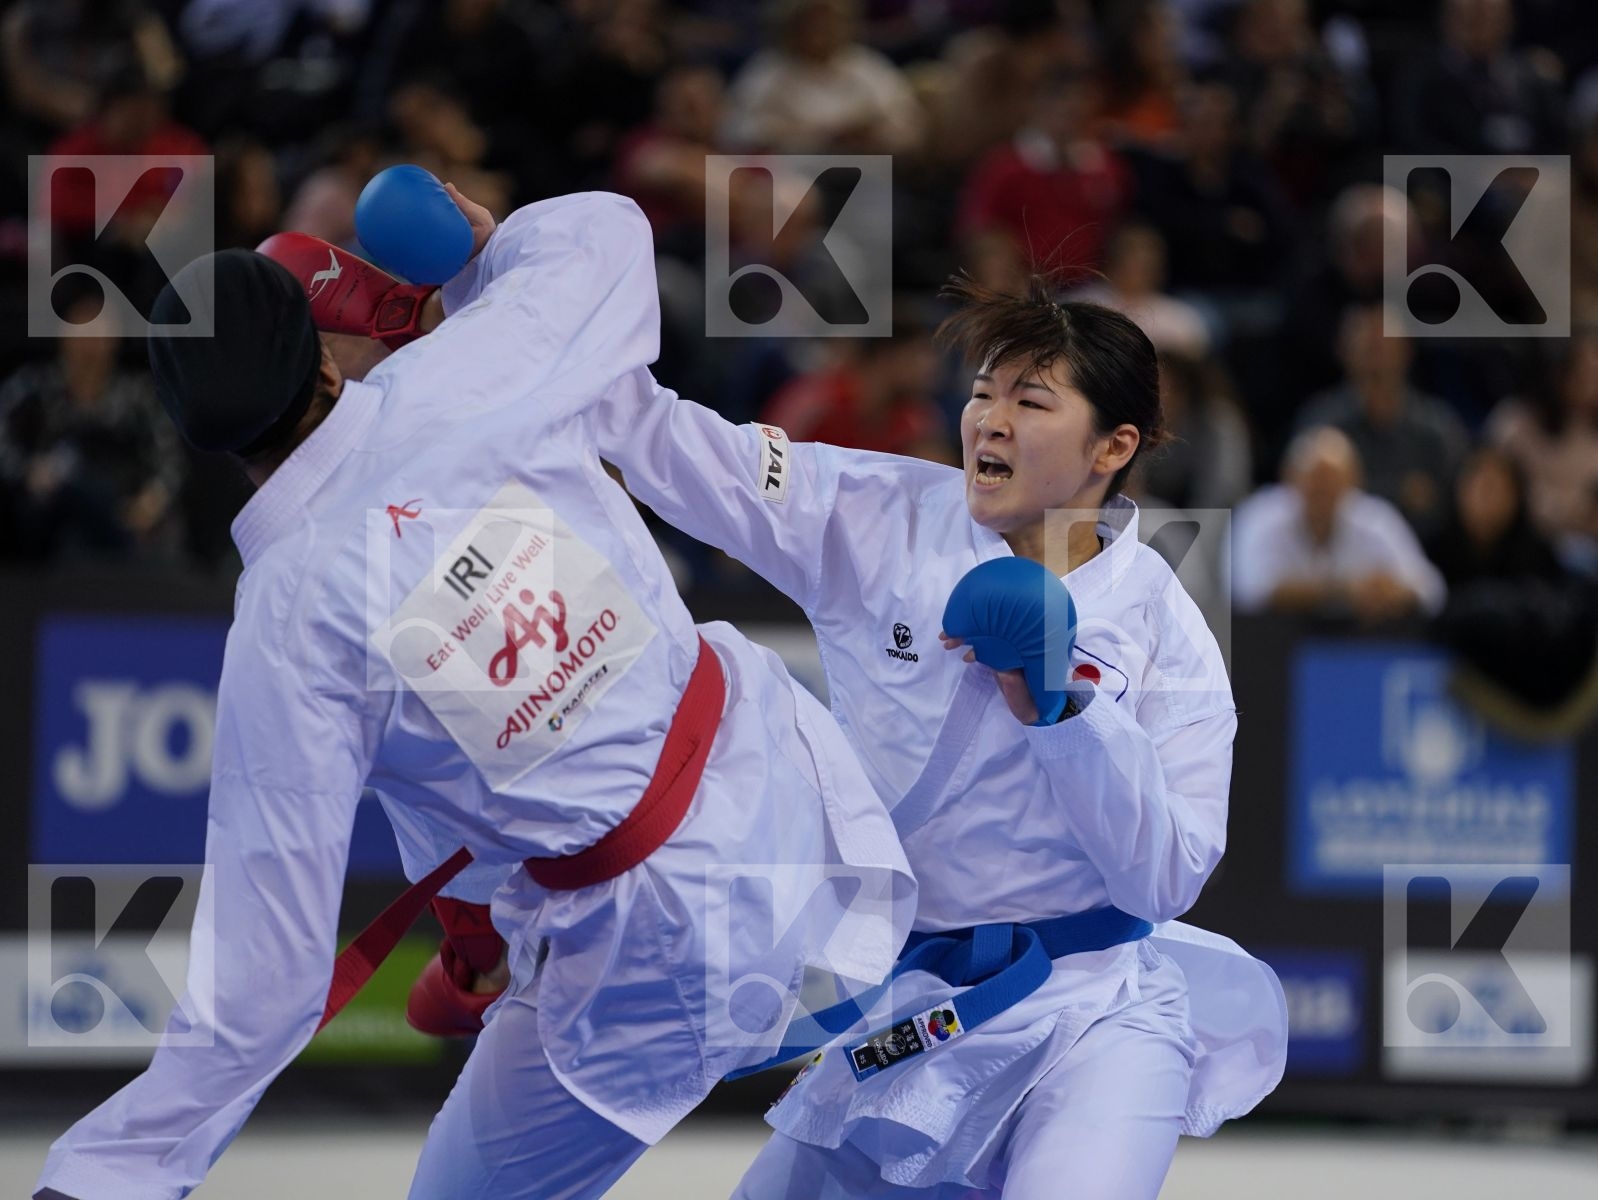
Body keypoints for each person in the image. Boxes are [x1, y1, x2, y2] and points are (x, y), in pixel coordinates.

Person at [31, 185, 914, 1200]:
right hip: (800, 808)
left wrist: (109, 1174)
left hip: (657, 947)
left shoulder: (283, 622)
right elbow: (608, 231)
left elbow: (262, 985)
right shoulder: (472, 368)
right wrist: (479, 256)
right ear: (323, 363)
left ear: (207, 437)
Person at [587, 280, 1287, 1198]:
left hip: (1091, 1012)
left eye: (1031, 402)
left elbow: (1169, 876)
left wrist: (1064, 709)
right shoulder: (883, 519)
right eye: (983, 392)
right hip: (916, 1006)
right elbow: (675, 445)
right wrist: (510, 305)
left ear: (1112, 448)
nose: (989, 421)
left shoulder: (1163, 623)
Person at [1233, 425, 1447, 621]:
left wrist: (1395, 592)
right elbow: (1249, 590)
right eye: (1316, 483)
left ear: (1353, 483)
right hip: (1269, 645)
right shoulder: (1261, 516)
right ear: (1291, 478)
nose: (1324, 494)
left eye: (1333, 484)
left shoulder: (1375, 520)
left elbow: (1432, 590)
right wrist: (1343, 591)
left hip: (1358, 647)